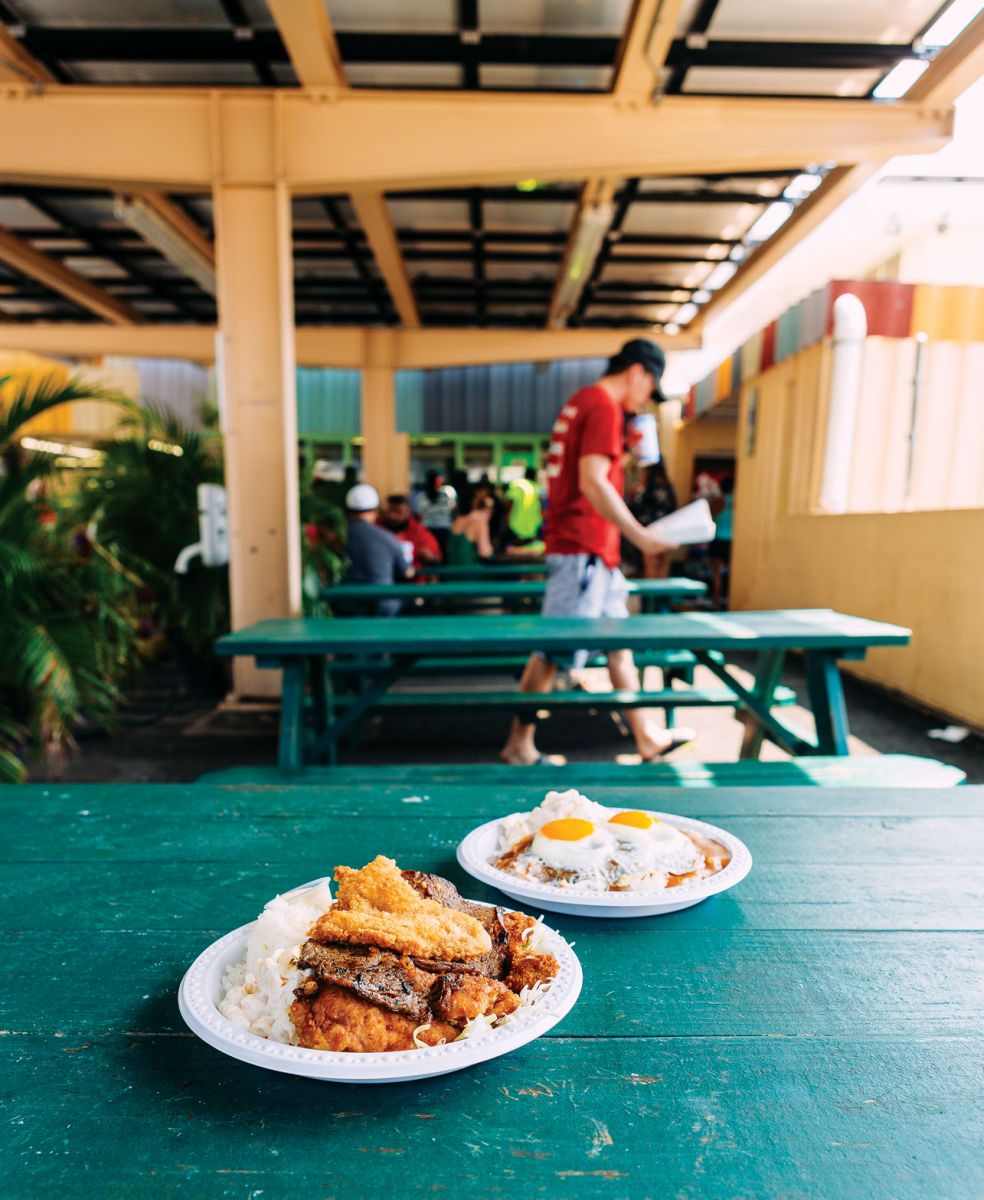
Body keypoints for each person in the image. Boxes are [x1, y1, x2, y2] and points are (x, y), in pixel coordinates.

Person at [500, 338, 696, 765]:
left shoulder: (584, 403)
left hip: (592, 550)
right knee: (552, 652)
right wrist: (641, 536)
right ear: (637, 372)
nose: (645, 398)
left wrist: (621, 459)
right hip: (583, 548)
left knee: (617, 644)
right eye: (649, 387)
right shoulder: (604, 408)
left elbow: (588, 475)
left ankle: (646, 736)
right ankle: (518, 742)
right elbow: (592, 482)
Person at [343, 483, 409, 615]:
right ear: (375, 510)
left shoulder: (338, 537)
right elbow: (406, 572)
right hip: (384, 607)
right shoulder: (387, 537)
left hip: (347, 607)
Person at [629, 461, 678, 579]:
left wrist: (633, 494)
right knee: (662, 563)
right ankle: (661, 594)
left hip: (649, 530)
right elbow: (673, 507)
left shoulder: (645, 488)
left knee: (650, 564)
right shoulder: (668, 487)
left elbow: (635, 508)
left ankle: (650, 596)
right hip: (666, 530)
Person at [379, 493, 442, 573]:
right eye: (390, 511)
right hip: (384, 579)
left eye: (398, 512)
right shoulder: (378, 527)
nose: (392, 516)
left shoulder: (419, 531)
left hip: (414, 582)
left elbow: (437, 559)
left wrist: (430, 557)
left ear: (408, 513)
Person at [448, 481, 495, 564]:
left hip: (451, 573)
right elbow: (485, 552)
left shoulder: (457, 521)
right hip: (469, 573)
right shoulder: (479, 521)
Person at [415, 469, 457, 555]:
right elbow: (453, 510)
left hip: (428, 528)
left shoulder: (421, 497)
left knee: (431, 553)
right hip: (444, 529)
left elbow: (419, 514)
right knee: (443, 553)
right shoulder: (447, 494)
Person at [504, 466, 544, 551]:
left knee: (516, 543)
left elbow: (511, 501)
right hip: (532, 522)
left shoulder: (517, 485)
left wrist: (507, 515)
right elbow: (541, 504)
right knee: (529, 543)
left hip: (516, 521)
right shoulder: (537, 487)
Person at [708, 476, 734, 608]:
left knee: (716, 573)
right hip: (733, 541)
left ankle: (716, 601)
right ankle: (730, 599)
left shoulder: (719, 501)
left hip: (718, 539)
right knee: (733, 573)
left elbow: (709, 516)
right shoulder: (739, 502)